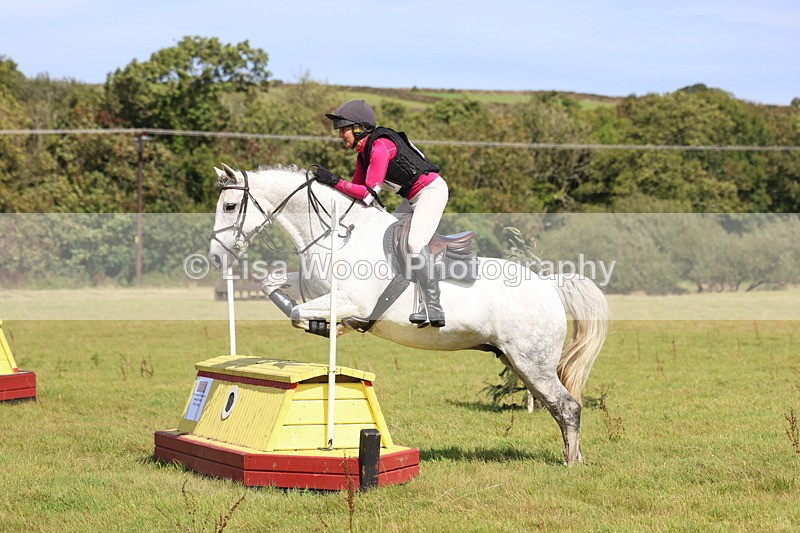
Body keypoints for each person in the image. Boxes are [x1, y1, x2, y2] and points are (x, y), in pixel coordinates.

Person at [316, 100, 449, 328]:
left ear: (358, 128)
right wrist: (328, 188)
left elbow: (367, 195)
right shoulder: (363, 155)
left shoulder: (380, 147)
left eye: (343, 129)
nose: (340, 135)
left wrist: (334, 181)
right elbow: (357, 198)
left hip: (431, 192)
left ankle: (433, 305)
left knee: (415, 243)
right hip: (412, 198)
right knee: (385, 241)